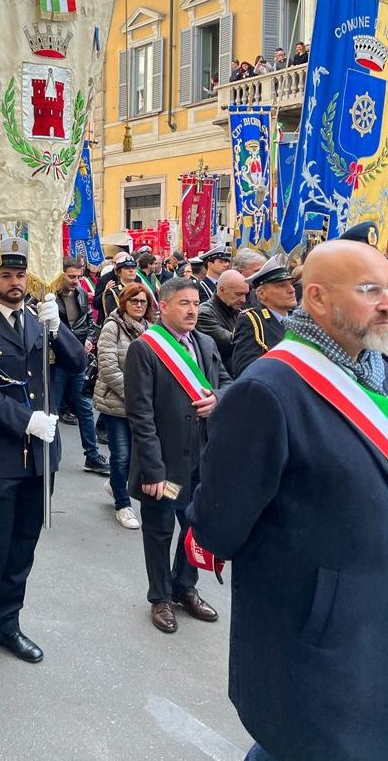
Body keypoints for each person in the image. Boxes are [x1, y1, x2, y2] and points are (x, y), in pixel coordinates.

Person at [187, 239, 388, 761]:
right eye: (371, 290)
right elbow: (219, 524)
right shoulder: (269, 389)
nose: (386, 301)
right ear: (316, 299)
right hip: (317, 642)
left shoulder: (373, 366)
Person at [0, 238, 85, 682]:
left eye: (20, 275)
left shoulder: (39, 319)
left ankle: (7, 625)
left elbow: (78, 364)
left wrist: (58, 329)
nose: (15, 283)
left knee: (23, 547)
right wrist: (25, 419)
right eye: (6, 275)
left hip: (38, 458)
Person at [124, 277, 231, 635]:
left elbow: (229, 381)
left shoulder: (205, 342)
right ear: (165, 306)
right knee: (160, 528)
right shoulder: (146, 348)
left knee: (195, 526)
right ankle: (160, 597)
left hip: (203, 460)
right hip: (166, 469)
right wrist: (152, 471)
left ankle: (185, 586)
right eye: (183, 303)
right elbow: (140, 414)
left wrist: (217, 398)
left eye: (196, 303)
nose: (192, 310)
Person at [94, 283, 156, 529]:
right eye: (134, 301)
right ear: (124, 302)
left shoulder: (152, 329)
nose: (139, 306)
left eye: (143, 302)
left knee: (136, 456)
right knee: (121, 456)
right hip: (116, 403)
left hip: (143, 405)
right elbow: (108, 368)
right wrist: (135, 394)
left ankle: (115, 483)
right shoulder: (112, 327)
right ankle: (123, 504)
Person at [54, 257, 108, 476]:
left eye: (79, 276)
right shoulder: (48, 297)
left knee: (85, 408)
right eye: (71, 276)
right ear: (61, 275)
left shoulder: (82, 294)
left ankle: (92, 456)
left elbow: (88, 322)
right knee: (51, 410)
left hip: (77, 360)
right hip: (55, 361)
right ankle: (46, 453)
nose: (76, 281)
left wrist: (88, 339)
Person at [231, 254, 297, 377]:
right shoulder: (252, 321)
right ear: (261, 294)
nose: (291, 290)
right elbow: (245, 370)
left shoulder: (298, 319)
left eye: (291, 283)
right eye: (282, 285)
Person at [197, 269, 249, 375]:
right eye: (238, 294)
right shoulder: (204, 314)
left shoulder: (236, 310)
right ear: (221, 290)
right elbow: (232, 343)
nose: (243, 300)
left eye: (245, 294)